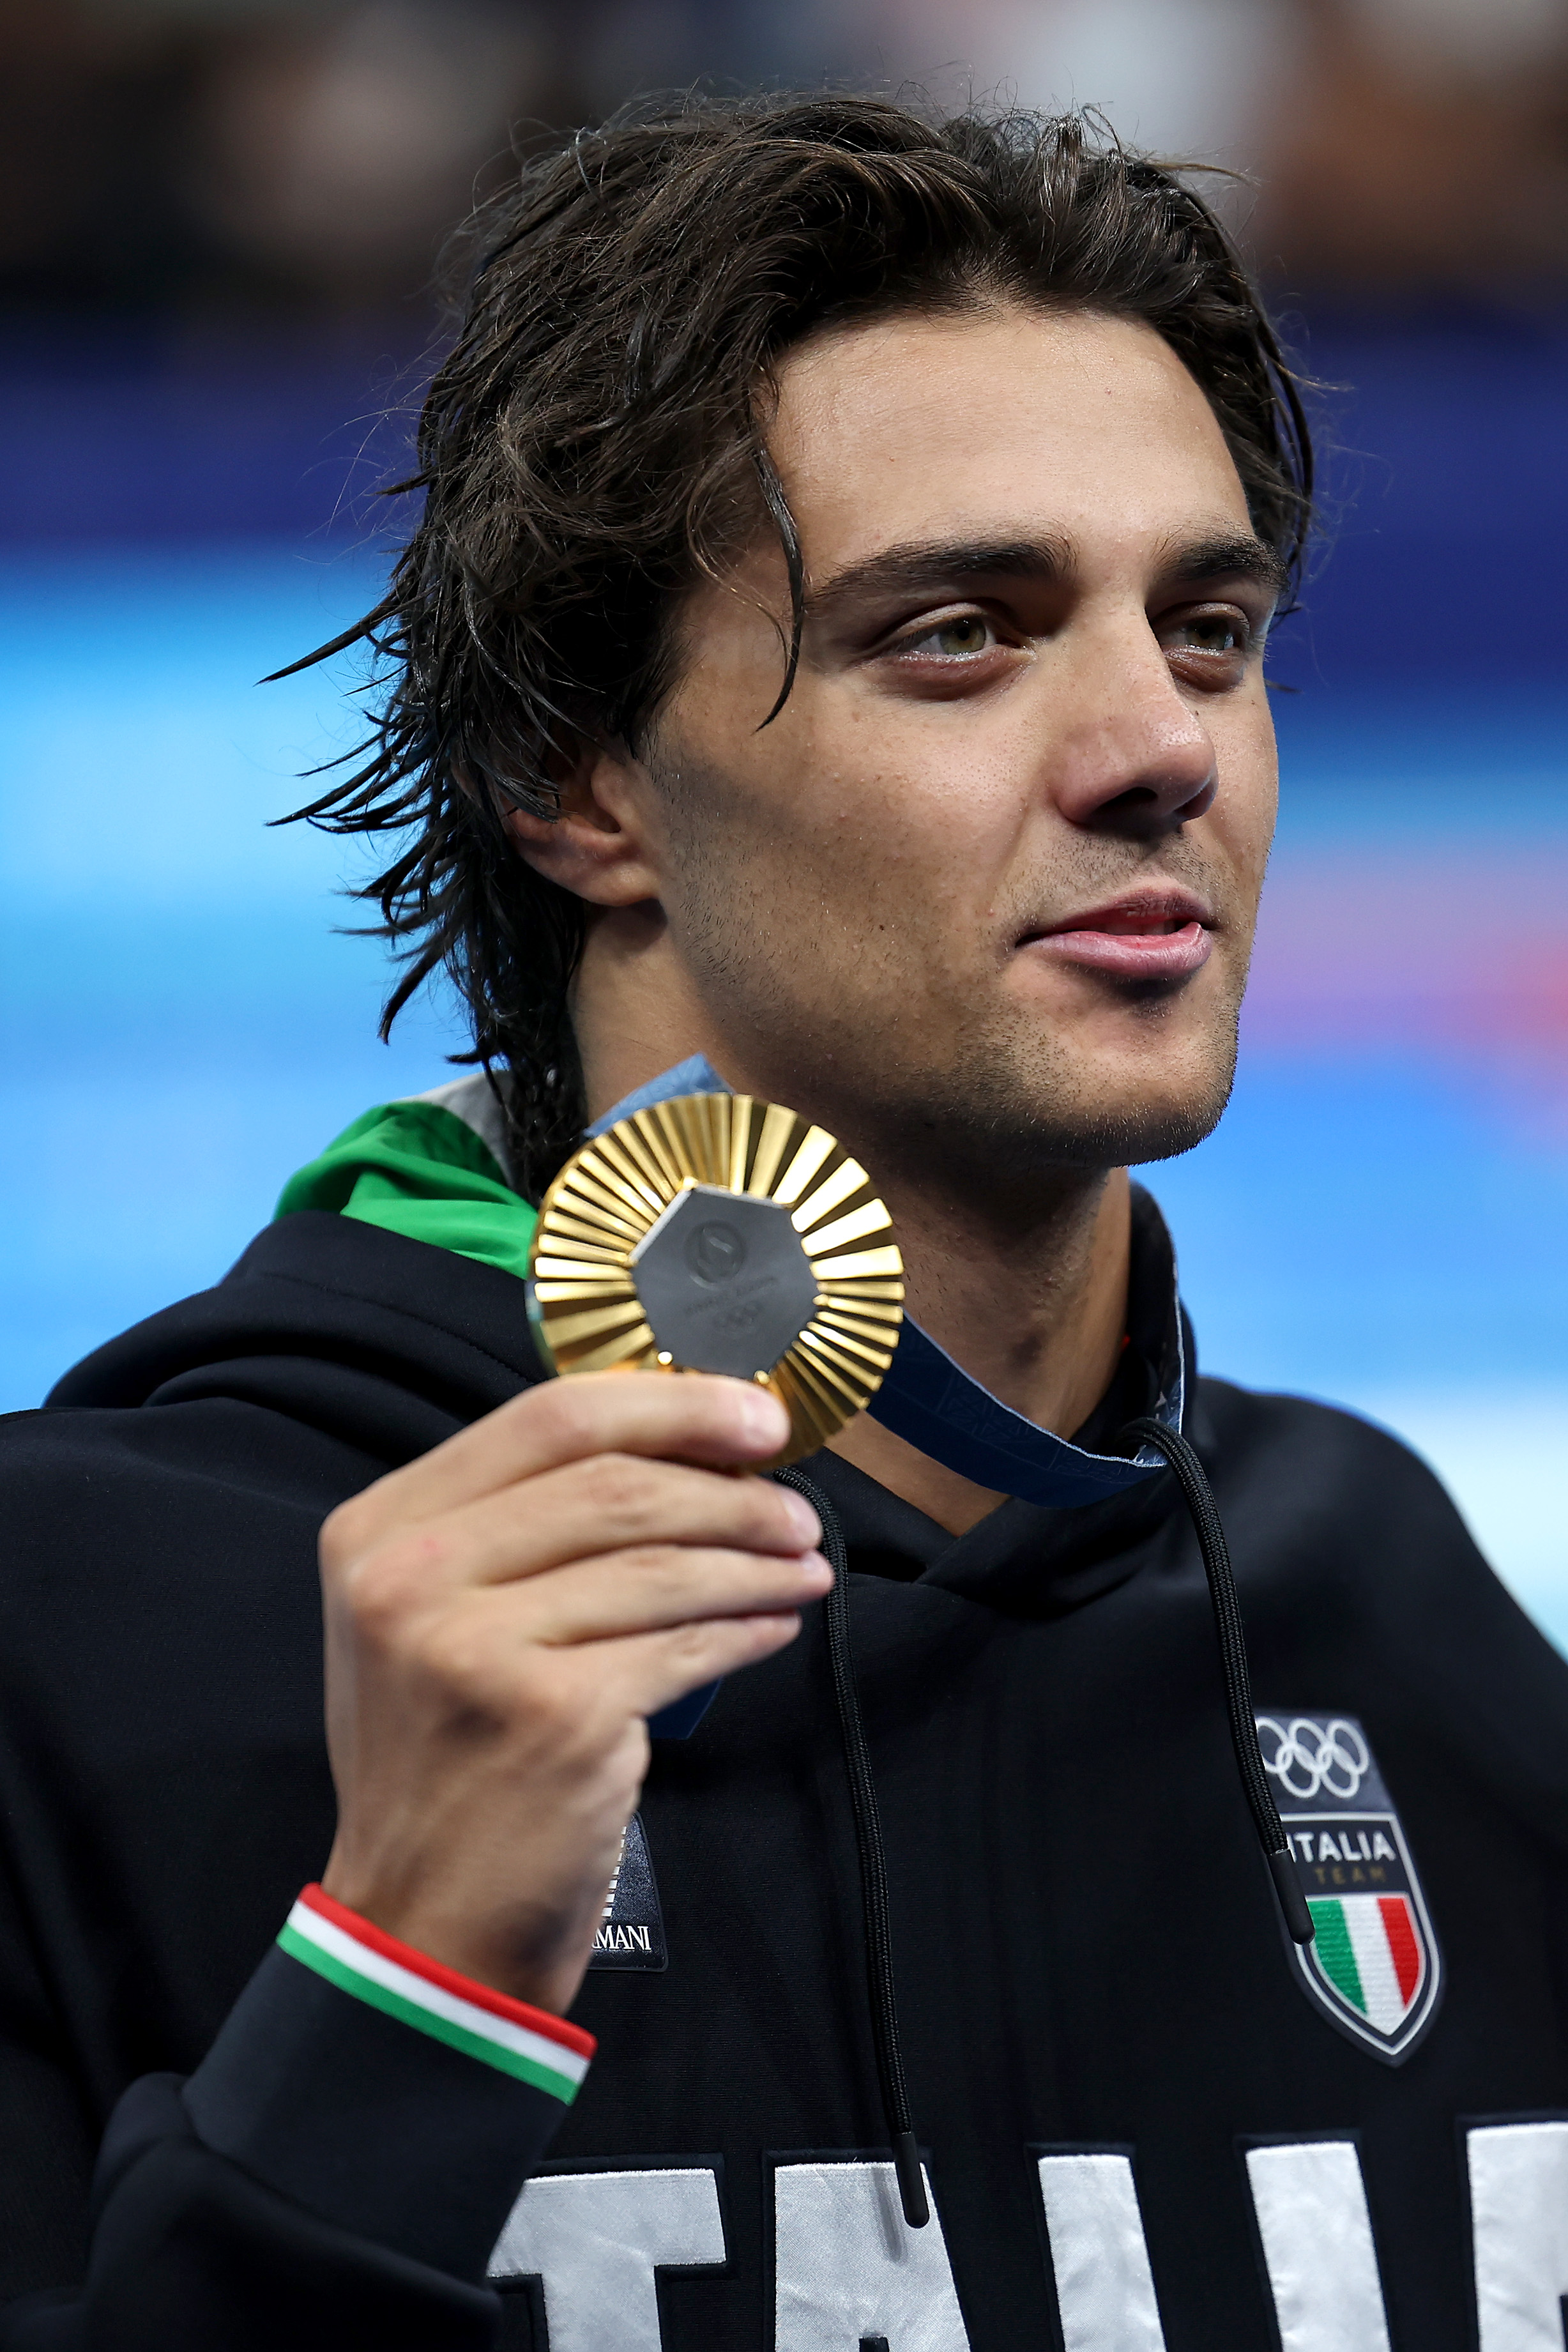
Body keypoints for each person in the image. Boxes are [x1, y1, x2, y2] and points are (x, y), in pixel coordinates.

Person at [3, 92, 1565, 2351]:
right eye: (958, 632)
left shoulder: (1397, 1609)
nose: (1163, 747)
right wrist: (405, 1990)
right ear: (581, 778)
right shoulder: (98, 1621)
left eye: (1210, 631)